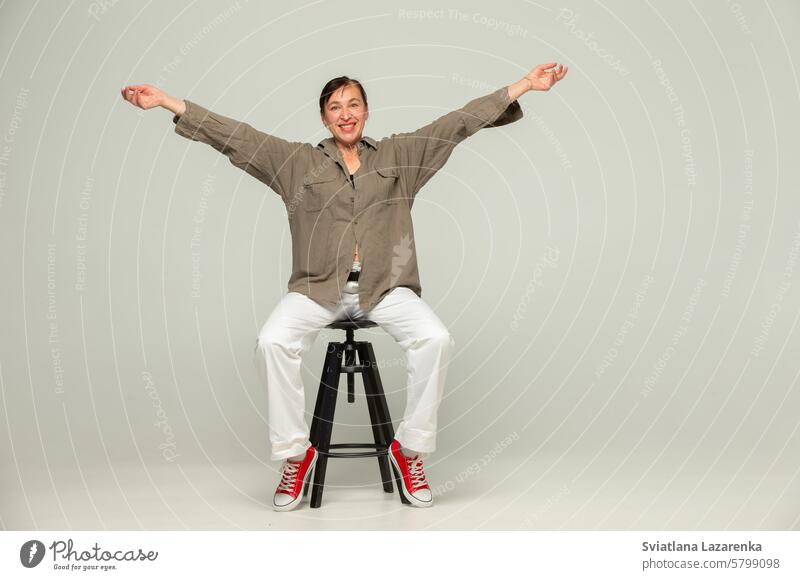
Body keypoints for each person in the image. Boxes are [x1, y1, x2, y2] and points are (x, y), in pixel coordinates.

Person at [120, 62, 568, 511]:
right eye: (335, 107)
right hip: (318, 290)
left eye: (353, 104)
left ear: (367, 111)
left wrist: (524, 86)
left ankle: (409, 452)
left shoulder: (400, 156)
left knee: (435, 338)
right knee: (273, 341)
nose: (345, 113)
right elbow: (238, 138)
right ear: (324, 117)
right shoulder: (297, 163)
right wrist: (167, 103)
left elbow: (456, 124)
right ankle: (297, 456)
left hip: (387, 288)